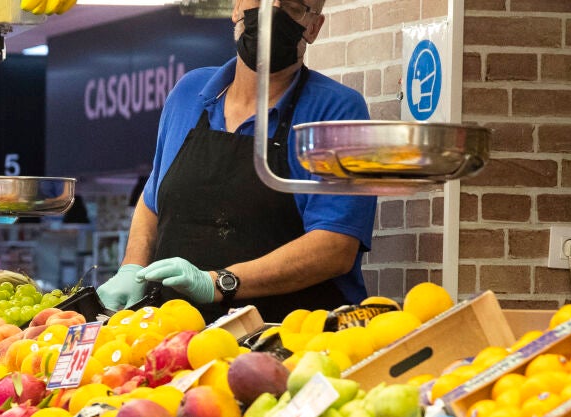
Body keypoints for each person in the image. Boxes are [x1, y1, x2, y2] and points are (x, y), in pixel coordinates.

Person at [97, 0, 376, 323]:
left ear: (313, 27)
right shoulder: (189, 93)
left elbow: (334, 248)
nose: (271, 12)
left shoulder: (337, 110)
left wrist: (218, 283)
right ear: (236, 7)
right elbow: (153, 201)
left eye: (292, 6)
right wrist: (133, 268)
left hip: (289, 339)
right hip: (176, 336)